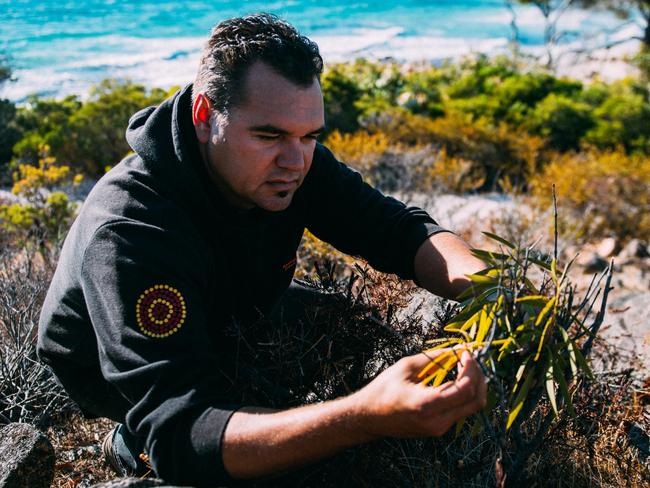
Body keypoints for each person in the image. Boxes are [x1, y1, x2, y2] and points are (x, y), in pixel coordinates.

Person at [37, 13, 488, 486]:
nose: (295, 161)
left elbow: (396, 229)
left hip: (232, 306)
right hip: (121, 366)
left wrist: (487, 287)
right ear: (205, 117)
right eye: (269, 136)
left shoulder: (289, 161)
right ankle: (130, 442)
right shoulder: (130, 230)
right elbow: (184, 429)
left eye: (310, 135)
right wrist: (362, 416)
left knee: (355, 331)